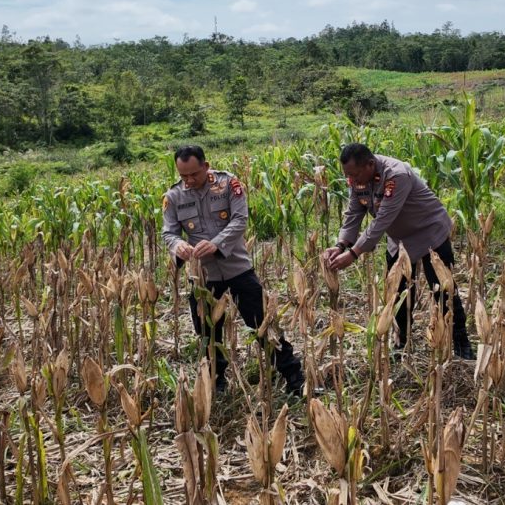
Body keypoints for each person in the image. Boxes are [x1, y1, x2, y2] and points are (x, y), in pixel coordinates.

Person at [162, 145, 305, 395]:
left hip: (237, 268)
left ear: (206, 167)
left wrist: (216, 243)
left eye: (193, 174)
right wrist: (179, 245)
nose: (188, 180)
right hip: (203, 276)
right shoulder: (174, 196)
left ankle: (294, 377)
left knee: (263, 326)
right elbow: (169, 232)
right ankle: (215, 384)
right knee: (208, 335)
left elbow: (240, 220)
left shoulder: (229, 184)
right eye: (183, 176)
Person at [321, 143, 475, 360]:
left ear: (370, 164)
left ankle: (461, 344)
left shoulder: (396, 176)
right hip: (400, 240)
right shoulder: (357, 180)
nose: (352, 181)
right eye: (349, 176)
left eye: (355, 175)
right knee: (397, 293)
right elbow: (354, 213)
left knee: (443, 290)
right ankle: (402, 342)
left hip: (429, 232)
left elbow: (382, 220)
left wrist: (354, 254)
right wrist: (340, 245)